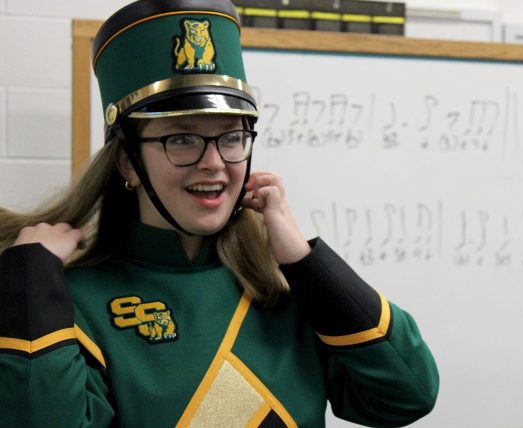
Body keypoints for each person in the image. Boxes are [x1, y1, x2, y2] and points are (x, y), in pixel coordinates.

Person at [0, 0, 439, 426]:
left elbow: (407, 395)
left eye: (231, 137)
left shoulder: (286, 292)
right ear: (128, 162)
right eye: (183, 139)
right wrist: (31, 279)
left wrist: (305, 262)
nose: (214, 162)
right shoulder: (74, 305)